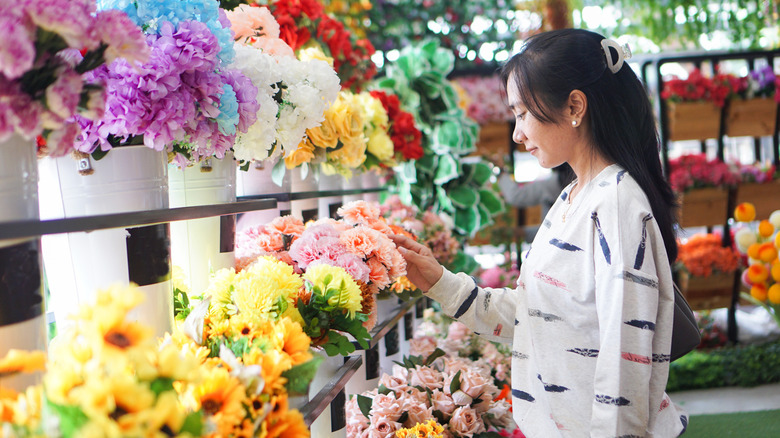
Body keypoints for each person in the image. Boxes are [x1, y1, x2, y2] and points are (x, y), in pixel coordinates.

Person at [391, 29, 687, 437]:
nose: (517, 133)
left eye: (523, 113)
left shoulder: (616, 204)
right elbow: (537, 316)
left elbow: (625, 359)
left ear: (574, 106)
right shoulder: (573, 197)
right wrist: (440, 283)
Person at [498, 163, 574, 241]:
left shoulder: (551, 190)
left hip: (563, 184)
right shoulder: (549, 195)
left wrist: (501, 171)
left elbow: (515, 196)